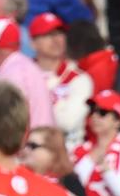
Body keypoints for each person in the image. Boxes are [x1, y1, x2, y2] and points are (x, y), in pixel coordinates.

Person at [0, 18, 55, 130]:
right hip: (39, 138)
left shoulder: (14, 73)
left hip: (32, 141)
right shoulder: (22, 64)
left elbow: (11, 121)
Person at [29, 13, 92, 143]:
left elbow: (67, 123)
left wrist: (37, 98)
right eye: (48, 34)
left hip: (68, 150)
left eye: (59, 33)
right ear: (33, 43)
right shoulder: (23, 74)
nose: (56, 40)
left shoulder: (79, 79)